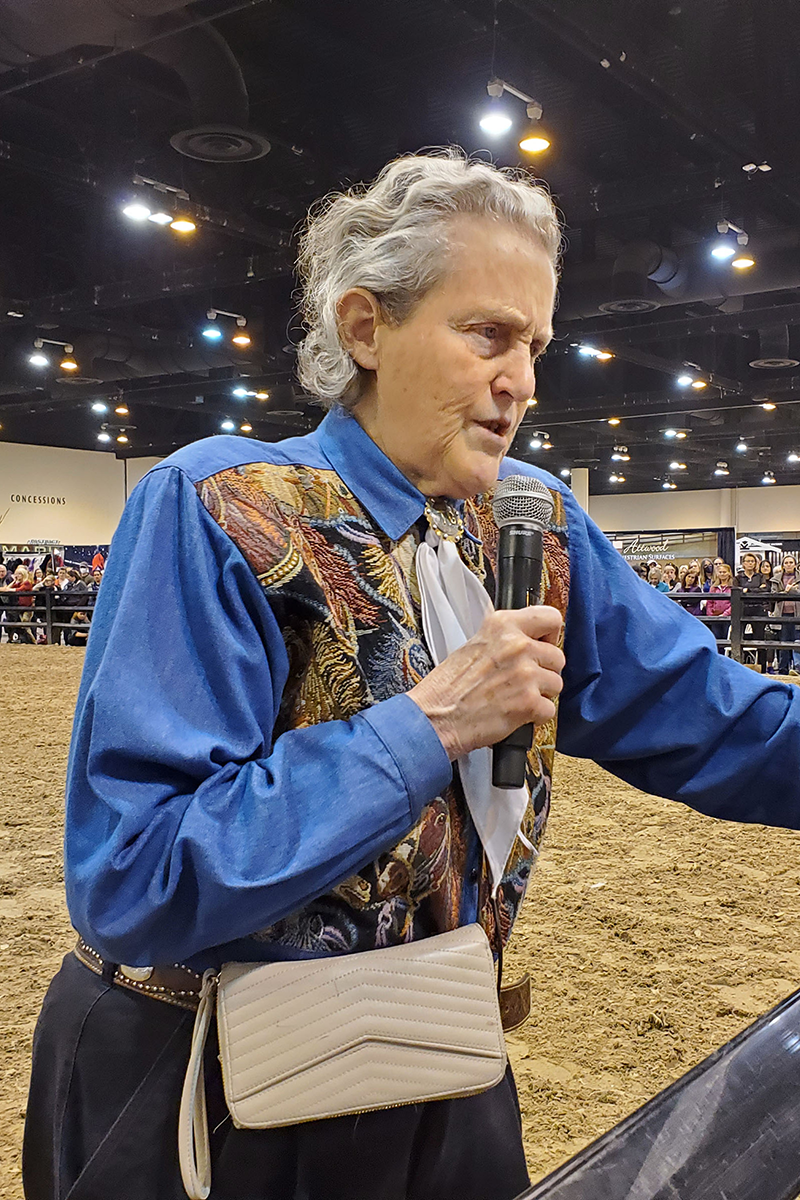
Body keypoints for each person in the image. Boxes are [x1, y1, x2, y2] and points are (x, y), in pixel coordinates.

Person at [23, 151, 800, 1200]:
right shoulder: (222, 506)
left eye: (532, 344)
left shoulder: (538, 520)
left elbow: (716, 722)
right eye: (485, 333)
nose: (519, 378)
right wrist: (428, 723)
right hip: (199, 1079)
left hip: (436, 1056)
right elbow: (135, 879)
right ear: (363, 328)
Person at [775, 554, 799, 675]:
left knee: (797, 641)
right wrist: (785, 592)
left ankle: (797, 667)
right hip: (782, 613)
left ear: (795, 564)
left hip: (797, 614)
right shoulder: (777, 578)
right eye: (786, 563)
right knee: (783, 641)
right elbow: (774, 594)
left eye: (791, 562)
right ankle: (783, 668)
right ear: (783, 565)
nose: (789, 565)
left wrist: (792, 590)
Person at [706, 562, 734, 653]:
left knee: (726, 638)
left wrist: (725, 614)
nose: (722, 574)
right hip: (715, 617)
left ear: (729, 573)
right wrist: (710, 615)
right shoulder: (713, 587)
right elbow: (709, 602)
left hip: (727, 617)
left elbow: (733, 603)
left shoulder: (732, 587)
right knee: (716, 639)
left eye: (724, 572)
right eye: (720, 572)